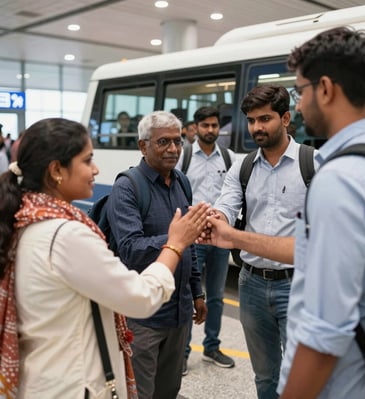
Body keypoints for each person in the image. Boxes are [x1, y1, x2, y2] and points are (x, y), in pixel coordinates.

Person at [0, 117, 209, 398]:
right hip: (71, 383)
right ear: (56, 171)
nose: (96, 169)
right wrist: (175, 244)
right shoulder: (66, 235)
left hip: (49, 374)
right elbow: (140, 296)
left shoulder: (26, 219)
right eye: (87, 161)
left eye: (176, 141)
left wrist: (195, 289)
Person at [278, 26, 365, 399]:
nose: (298, 105)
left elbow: (324, 331)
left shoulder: (341, 180)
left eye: (299, 91)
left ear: (325, 89)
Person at [213, 84, 314, 399]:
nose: (256, 127)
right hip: (252, 285)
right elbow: (226, 208)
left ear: (285, 118)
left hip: (298, 285)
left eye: (265, 119)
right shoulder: (242, 167)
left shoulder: (313, 164)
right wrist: (214, 219)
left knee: (299, 377)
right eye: (251, 120)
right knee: (265, 376)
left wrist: (231, 236)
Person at [106, 111, 207, 399]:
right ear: (143, 146)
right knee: (140, 393)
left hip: (179, 312)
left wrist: (196, 292)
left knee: (168, 391)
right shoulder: (127, 187)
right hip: (143, 317)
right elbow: (131, 250)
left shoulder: (181, 182)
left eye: (178, 142)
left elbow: (190, 245)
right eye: (163, 142)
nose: (174, 149)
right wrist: (176, 237)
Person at [176, 106, 236, 375]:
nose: (211, 130)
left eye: (214, 126)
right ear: (196, 127)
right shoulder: (184, 156)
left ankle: (212, 347)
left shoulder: (229, 157)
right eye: (205, 125)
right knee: (189, 294)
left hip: (220, 240)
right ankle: (184, 353)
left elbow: (236, 192)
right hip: (194, 238)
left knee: (216, 297)